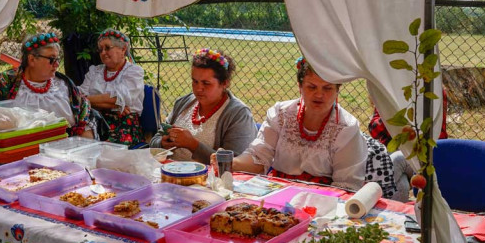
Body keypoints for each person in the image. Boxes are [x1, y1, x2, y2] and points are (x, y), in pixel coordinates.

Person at [233, 56, 368, 192]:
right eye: (312, 87)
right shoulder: (281, 114)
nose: (319, 94)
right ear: (300, 86)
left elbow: (346, 185)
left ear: (337, 90)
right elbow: (259, 158)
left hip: (322, 199)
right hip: (277, 192)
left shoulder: (346, 128)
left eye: (327, 88)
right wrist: (230, 163)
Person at [150, 48, 257, 163]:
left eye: (206, 83)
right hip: (169, 172)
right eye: (195, 81)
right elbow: (155, 140)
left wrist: (193, 145)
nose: (198, 88)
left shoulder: (238, 114)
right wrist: (162, 142)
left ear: (225, 83)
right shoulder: (184, 102)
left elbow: (232, 164)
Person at [0, 32, 95, 138]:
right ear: (31, 60)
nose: (56, 64)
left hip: (64, 149)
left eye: (58, 59)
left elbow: (84, 112)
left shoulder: (64, 84)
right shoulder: (6, 82)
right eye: (51, 59)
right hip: (20, 148)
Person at [80, 29, 145, 145]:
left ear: (123, 49)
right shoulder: (94, 71)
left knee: (105, 150)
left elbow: (117, 99)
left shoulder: (134, 72)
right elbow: (78, 97)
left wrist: (87, 100)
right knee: (79, 144)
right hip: (95, 119)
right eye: (100, 49)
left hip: (124, 124)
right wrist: (112, 106)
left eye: (107, 48)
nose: (103, 52)